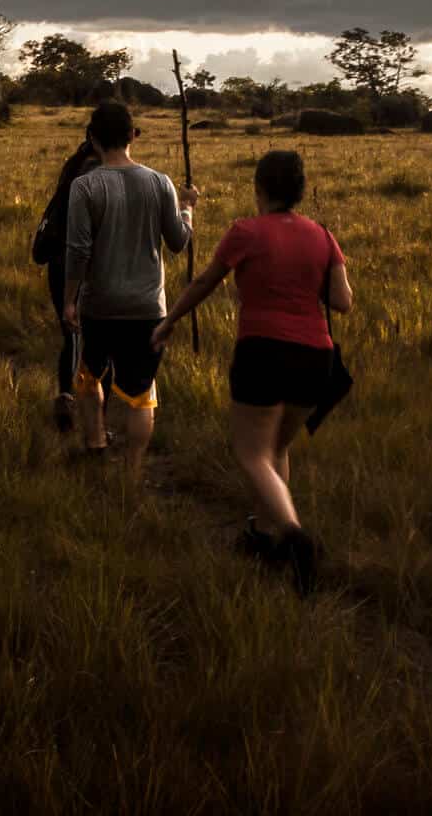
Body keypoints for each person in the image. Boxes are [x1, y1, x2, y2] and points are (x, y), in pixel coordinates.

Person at [152, 149, 353, 598]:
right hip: (315, 358)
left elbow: (205, 282)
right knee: (277, 448)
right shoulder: (323, 236)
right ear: (299, 190)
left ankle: (295, 536)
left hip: (263, 351)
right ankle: (266, 539)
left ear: (260, 188)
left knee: (252, 454)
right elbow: (342, 301)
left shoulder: (245, 231)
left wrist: (169, 322)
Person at [62, 101, 196, 480]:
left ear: (92, 139)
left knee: (89, 374)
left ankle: (95, 444)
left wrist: (70, 299)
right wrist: (187, 209)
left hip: (100, 304)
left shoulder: (85, 186)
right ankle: (134, 471)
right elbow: (177, 242)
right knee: (141, 392)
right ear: (132, 136)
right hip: (147, 306)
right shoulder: (160, 182)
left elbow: (78, 249)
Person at [33, 134, 101, 434]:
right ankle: (93, 419)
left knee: (70, 335)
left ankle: (66, 396)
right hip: (81, 262)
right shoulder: (98, 173)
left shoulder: (72, 166)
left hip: (57, 261)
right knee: (96, 341)